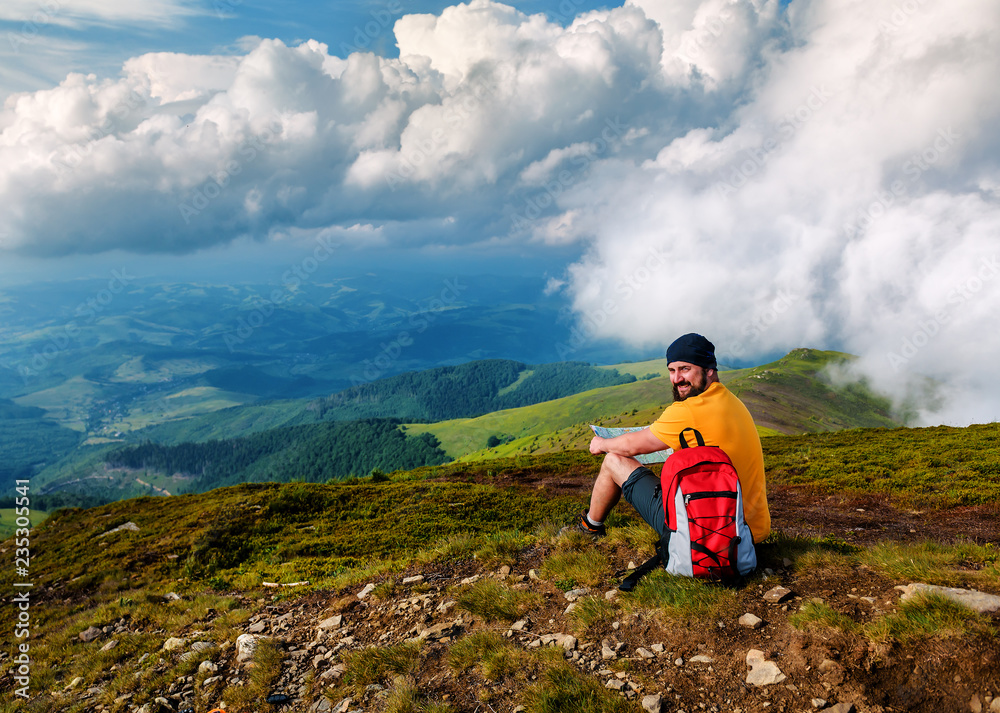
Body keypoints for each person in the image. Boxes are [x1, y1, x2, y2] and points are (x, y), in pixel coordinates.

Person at [573, 333, 770, 548]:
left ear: (709, 369)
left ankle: (589, 528)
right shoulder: (732, 401)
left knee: (613, 460)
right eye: (672, 370)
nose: (677, 379)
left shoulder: (690, 410)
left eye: (685, 369)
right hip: (751, 534)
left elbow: (631, 446)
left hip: (710, 535)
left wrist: (601, 444)